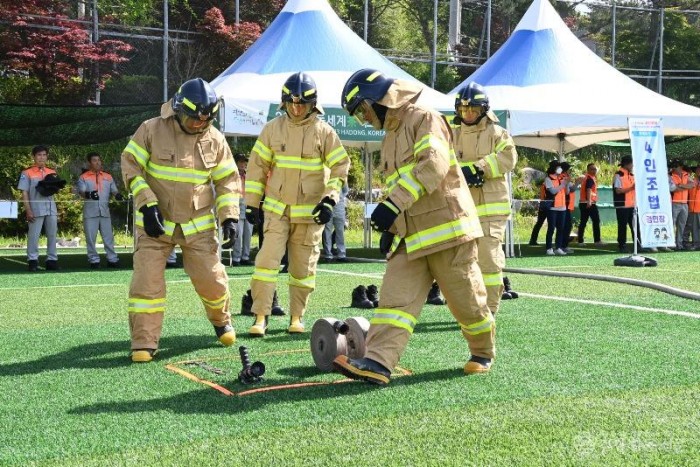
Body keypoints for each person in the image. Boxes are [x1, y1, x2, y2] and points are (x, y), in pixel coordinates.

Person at [333, 69, 495, 385]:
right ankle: (378, 362)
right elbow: (402, 185)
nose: (362, 120)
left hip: (448, 232)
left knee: (468, 305)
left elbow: (433, 165)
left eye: (361, 112)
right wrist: (392, 229)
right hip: (410, 238)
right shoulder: (390, 137)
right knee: (393, 302)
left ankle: (482, 352)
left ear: (378, 99)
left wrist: (392, 205)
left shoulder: (424, 117)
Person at [120, 77, 241, 363]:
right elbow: (131, 167)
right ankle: (144, 342)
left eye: (205, 120)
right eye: (194, 119)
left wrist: (230, 217)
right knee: (146, 284)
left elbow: (227, 181)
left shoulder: (216, 138)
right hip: (154, 225)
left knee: (212, 280)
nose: (200, 125)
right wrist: (146, 205)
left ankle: (221, 321)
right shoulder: (150, 129)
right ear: (178, 109)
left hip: (198, 227)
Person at [244, 72, 350, 336]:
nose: (296, 107)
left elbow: (340, 167)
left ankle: (296, 317)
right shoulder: (271, 129)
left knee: (303, 269)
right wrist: (252, 204)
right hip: (276, 211)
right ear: (284, 102)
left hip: (310, 214)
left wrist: (330, 200)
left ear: (313, 104)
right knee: (266, 263)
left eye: (302, 103)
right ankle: (260, 317)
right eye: (292, 102)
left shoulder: (325, 132)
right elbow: (257, 168)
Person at [452, 82, 518, 311]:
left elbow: (508, 158)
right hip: (460, 209)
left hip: (492, 210)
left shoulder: (498, 133)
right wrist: (463, 171)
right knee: (462, 263)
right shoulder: (453, 135)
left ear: (484, 110)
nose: (468, 114)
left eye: (473, 110)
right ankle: (471, 309)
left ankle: (489, 310)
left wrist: (479, 168)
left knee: (489, 261)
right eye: (464, 110)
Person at [18, 145, 65, 272]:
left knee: (52, 235)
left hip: (51, 208)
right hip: (35, 208)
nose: (42, 157)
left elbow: (56, 191)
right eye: (39, 155)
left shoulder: (52, 172)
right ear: (33, 157)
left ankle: (52, 260)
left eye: (44, 155)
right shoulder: (26, 172)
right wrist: (28, 209)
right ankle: (32, 261)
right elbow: (24, 193)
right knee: (34, 235)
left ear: (47, 156)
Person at [78, 152, 123, 268]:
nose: (97, 162)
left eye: (99, 160)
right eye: (94, 160)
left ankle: (112, 259)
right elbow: (81, 192)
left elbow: (114, 191)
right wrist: (89, 195)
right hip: (90, 213)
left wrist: (118, 195)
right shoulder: (83, 177)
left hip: (105, 212)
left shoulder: (108, 177)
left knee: (109, 237)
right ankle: (94, 260)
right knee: (90, 239)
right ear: (89, 163)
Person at [231, 153, 254, 266]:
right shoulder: (232, 175)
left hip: (248, 204)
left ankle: (245, 257)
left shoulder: (249, 175)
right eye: (241, 162)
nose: (244, 164)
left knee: (248, 233)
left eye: (245, 162)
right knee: (238, 233)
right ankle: (236, 258)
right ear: (235, 163)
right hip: (236, 204)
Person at [613, 155, 638, 253]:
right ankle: (622, 245)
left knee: (635, 226)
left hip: (633, 205)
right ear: (627, 164)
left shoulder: (632, 175)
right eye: (632, 163)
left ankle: (637, 244)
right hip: (622, 205)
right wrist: (632, 188)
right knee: (622, 226)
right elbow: (618, 191)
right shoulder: (618, 175)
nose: (633, 165)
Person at [544, 160, 568, 256]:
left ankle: (558, 247)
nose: (560, 169)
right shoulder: (548, 179)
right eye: (558, 167)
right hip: (552, 208)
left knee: (561, 228)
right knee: (551, 228)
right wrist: (562, 185)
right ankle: (549, 248)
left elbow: (566, 192)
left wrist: (566, 184)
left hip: (562, 207)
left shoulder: (562, 178)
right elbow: (552, 191)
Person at [669, 159, 693, 250]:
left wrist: (681, 185)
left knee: (681, 225)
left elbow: (692, 185)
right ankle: (671, 244)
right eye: (674, 166)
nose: (675, 168)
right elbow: (673, 189)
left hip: (684, 204)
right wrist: (685, 186)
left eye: (677, 166)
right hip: (674, 203)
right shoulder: (670, 175)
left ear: (680, 166)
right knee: (672, 224)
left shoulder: (686, 174)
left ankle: (679, 244)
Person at [577, 163, 603, 246]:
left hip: (584, 203)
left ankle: (580, 241)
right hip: (589, 203)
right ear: (588, 170)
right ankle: (597, 241)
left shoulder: (587, 177)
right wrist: (589, 201)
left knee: (583, 222)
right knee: (595, 221)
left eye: (595, 169)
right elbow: (588, 189)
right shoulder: (589, 178)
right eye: (592, 169)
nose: (594, 171)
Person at [321, 182, 349, 262]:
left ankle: (341, 254)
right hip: (327, 205)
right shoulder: (326, 175)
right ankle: (328, 255)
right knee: (327, 231)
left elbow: (345, 190)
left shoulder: (341, 178)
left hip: (339, 205)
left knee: (340, 231)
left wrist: (339, 198)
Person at [560, 161, 579, 254]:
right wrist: (568, 183)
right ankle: (562, 246)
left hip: (566, 205)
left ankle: (563, 245)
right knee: (565, 226)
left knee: (566, 226)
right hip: (561, 205)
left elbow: (572, 189)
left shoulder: (566, 177)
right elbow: (567, 191)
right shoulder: (562, 177)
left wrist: (577, 183)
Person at [685, 165, 700, 250]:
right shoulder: (692, 180)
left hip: (696, 207)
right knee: (694, 228)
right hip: (694, 208)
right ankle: (696, 244)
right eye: (697, 170)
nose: (698, 171)